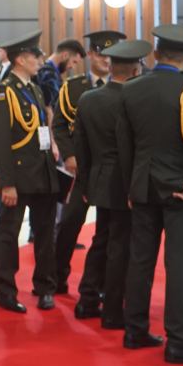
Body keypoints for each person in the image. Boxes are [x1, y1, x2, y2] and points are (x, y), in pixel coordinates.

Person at [119, 24, 183, 365]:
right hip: (180, 187)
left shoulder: (131, 88)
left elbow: (125, 143)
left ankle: (134, 330)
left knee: (140, 261)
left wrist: (131, 185)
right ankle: (178, 340)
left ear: (157, 54)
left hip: (143, 185)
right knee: (179, 265)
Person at [72, 37, 150, 330]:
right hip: (125, 182)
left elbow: (81, 147)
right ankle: (113, 310)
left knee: (101, 240)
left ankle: (87, 299)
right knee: (120, 246)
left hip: (98, 179)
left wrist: (85, 184)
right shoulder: (134, 100)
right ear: (135, 70)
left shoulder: (88, 98)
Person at [51, 29, 125, 309]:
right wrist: (69, 156)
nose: (106, 60)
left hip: (110, 170)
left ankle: (100, 284)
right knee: (69, 223)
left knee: (106, 230)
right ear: (91, 54)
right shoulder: (74, 87)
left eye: (112, 56)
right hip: (81, 169)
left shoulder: (126, 87)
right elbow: (60, 125)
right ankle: (57, 275)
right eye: (102, 55)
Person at [0, 30, 60, 313]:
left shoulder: (35, 89)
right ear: (19, 59)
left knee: (45, 233)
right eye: (34, 55)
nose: (40, 60)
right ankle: (5, 290)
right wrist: (7, 183)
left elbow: (41, 128)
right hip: (19, 175)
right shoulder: (4, 92)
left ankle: (45, 287)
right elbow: (0, 141)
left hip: (42, 171)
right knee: (7, 234)